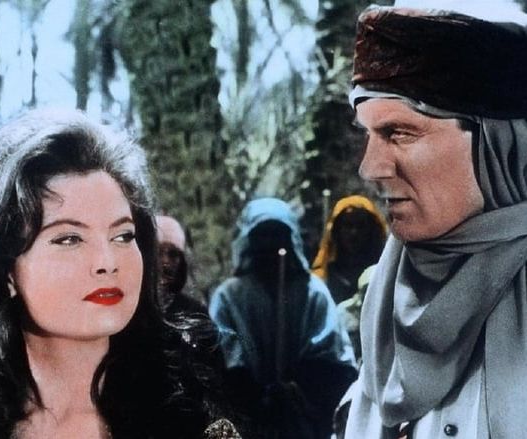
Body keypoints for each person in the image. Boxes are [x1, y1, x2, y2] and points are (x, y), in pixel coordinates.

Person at [0, 108, 240, 438]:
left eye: (123, 236)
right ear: (7, 271)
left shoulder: (192, 418)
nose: (107, 261)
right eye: (69, 239)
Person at [338, 3, 527, 438]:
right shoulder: (387, 297)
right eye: (368, 133)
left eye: (398, 133)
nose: (370, 168)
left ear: (498, 144)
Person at [209, 197, 357, 439]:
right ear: (250, 240)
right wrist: (260, 396)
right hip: (248, 421)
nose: (270, 244)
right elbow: (224, 361)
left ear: (290, 239)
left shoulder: (312, 293)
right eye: (263, 236)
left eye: (277, 235)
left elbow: (332, 361)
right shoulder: (230, 296)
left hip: (304, 420)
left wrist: (293, 388)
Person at [312, 195, 386, 304]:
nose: (354, 232)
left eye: (361, 226)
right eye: (348, 225)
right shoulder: (321, 278)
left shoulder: (383, 274)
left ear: (372, 230)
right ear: (337, 230)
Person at [156, 214, 206, 316]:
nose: (166, 261)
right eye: (158, 252)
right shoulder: (127, 310)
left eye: (173, 254)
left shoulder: (195, 313)